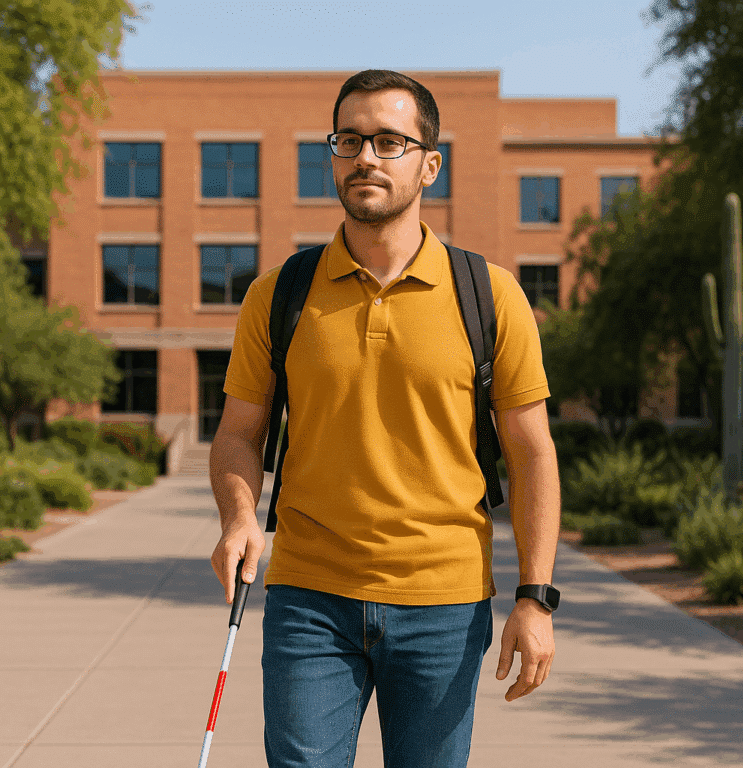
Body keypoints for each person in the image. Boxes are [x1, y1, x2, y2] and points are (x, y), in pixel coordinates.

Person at [209, 69, 561, 768]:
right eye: (349, 139)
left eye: (389, 140)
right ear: (331, 155)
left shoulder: (489, 295)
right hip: (309, 600)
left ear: (430, 163)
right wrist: (240, 516)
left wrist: (536, 598)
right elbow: (238, 436)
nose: (365, 156)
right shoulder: (278, 295)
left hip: (446, 604)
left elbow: (532, 455)